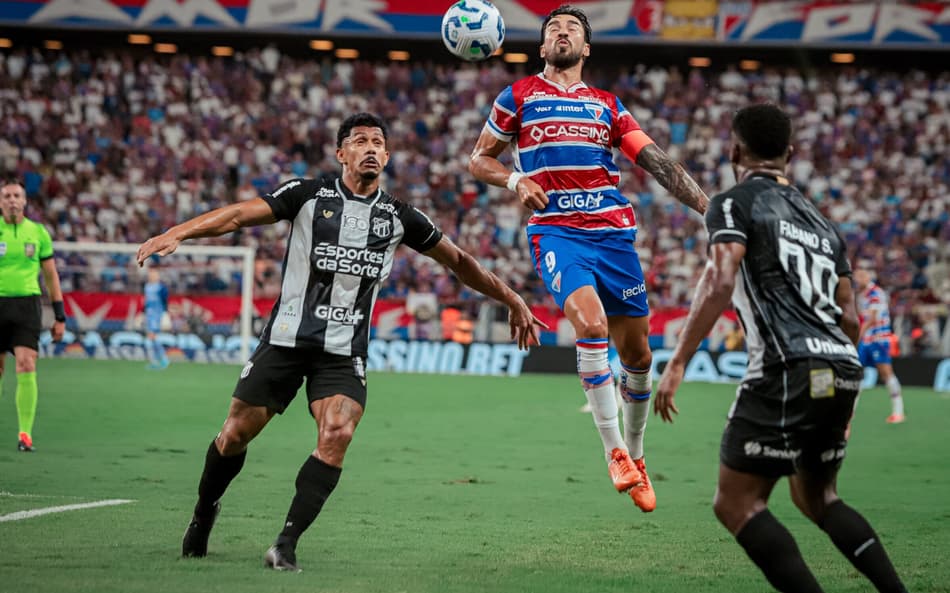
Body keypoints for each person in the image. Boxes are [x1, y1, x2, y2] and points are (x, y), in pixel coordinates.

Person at [136, 113, 544, 572]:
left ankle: (285, 544)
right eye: (360, 141)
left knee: (338, 433)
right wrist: (178, 232)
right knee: (233, 436)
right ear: (341, 153)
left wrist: (511, 297)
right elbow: (236, 215)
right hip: (286, 341)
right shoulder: (307, 195)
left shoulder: (399, 217)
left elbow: (460, 262)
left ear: (387, 157)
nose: (370, 148)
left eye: (378, 143)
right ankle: (204, 511)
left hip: (344, 351)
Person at [655, 104, 907, 593]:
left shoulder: (731, 204)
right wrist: (838, 380)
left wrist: (678, 362)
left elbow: (720, 281)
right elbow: (850, 318)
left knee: (737, 503)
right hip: (840, 366)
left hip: (785, 366)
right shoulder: (826, 227)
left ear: (734, 151)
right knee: (820, 498)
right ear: (790, 154)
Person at [469, 4, 708, 512]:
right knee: (590, 324)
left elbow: (657, 162)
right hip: (558, 233)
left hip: (614, 236)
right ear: (541, 46)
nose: (561, 32)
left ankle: (638, 456)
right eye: (553, 28)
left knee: (639, 357)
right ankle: (615, 451)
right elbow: (479, 158)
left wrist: (709, 209)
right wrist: (516, 180)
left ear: (586, 47)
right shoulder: (518, 96)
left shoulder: (608, 105)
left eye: (572, 28)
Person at [0, 179, 66, 452]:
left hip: (27, 306)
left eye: (17, 195)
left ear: (25, 201)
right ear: (0, 201)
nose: (12, 200)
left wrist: (59, 315)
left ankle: (24, 434)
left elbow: (50, 275)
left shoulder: (38, 232)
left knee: (26, 364)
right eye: (7, 196)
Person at [853, 268, 905, 424]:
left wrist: (857, 336)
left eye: (862, 276)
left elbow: (871, 319)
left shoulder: (875, 293)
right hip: (866, 340)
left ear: (868, 277)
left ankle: (898, 411)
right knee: (855, 373)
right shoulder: (859, 295)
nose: (858, 279)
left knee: (886, 373)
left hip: (878, 339)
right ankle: (850, 412)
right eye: (856, 276)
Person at [143, 266, 170, 370]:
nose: (151, 276)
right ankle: (158, 360)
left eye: (153, 274)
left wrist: (165, 313)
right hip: (149, 314)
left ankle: (163, 360)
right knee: (151, 337)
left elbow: (165, 301)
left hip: (156, 314)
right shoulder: (147, 286)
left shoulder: (161, 287)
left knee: (152, 336)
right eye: (150, 274)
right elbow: (147, 302)